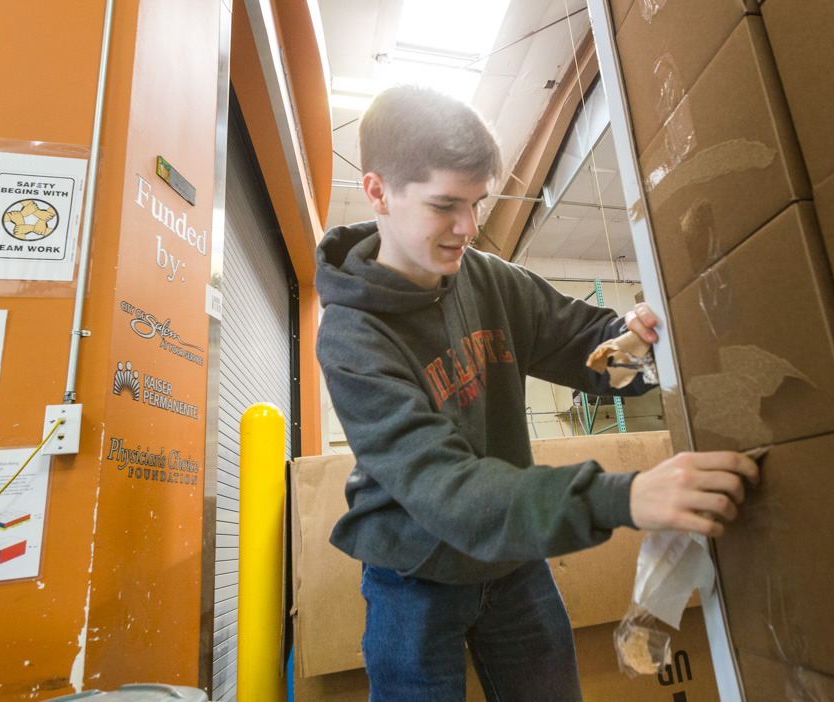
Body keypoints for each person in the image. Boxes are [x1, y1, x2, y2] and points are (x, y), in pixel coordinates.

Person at [315, 86, 760, 702]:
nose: (469, 228)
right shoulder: (352, 337)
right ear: (378, 192)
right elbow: (449, 489)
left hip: (512, 563)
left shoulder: (489, 278)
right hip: (413, 571)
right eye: (446, 205)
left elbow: (589, 346)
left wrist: (635, 343)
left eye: (478, 202)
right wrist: (623, 497)